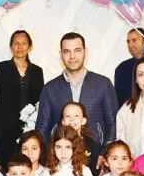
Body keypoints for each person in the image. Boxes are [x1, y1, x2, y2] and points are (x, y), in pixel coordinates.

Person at [36, 33, 118, 166]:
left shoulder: (103, 84)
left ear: (85, 52)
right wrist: (49, 158)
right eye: (67, 51)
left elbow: (112, 122)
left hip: (96, 158)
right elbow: (42, 128)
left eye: (77, 50)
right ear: (61, 55)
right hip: (60, 160)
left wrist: (105, 154)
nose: (72, 56)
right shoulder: (50, 88)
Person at [0, 30, 44, 167]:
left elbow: (40, 98)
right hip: (5, 125)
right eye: (16, 43)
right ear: (11, 47)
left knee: (28, 163)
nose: (19, 47)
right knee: (5, 162)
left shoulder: (37, 71)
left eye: (24, 43)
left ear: (30, 47)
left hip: (29, 126)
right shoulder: (3, 67)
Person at [62, 101, 100, 176]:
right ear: (63, 121)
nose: (72, 119)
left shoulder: (90, 144)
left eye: (76, 116)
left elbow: (95, 171)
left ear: (83, 121)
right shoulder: (58, 142)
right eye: (68, 116)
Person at [113, 28, 144, 107]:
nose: (130, 45)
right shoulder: (121, 68)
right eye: (128, 42)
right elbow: (117, 99)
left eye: (134, 40)